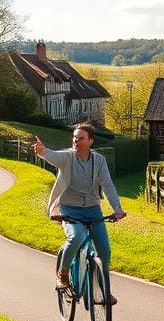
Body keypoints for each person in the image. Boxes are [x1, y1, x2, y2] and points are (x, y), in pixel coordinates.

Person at [32, 122, 126, 301]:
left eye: (80, 138)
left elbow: (107, 185)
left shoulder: (99, 160)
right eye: (74, 138)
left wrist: (117, 208)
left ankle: (104, 291)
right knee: (77, 236)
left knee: (104, 251)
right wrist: (42, 151)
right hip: (68, 209)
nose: (76, 141)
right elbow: (52, 156)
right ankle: (63, 274)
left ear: (90, 141)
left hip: (93, 210)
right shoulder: (67, 157)